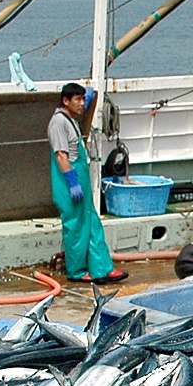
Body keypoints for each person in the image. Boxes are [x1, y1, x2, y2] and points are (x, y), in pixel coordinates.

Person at [48, 83, 127, 284]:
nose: (83, 104)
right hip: (69, 180)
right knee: (75, 226)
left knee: (91, 222)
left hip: (80, 175)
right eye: (78, 100)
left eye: (84, 99)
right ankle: (77, 271)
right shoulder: (58, 123)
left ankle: (102, 268)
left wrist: (89, 95)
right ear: (66, 101)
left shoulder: (71, 119)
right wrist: (72, 181)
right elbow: (61, 155)